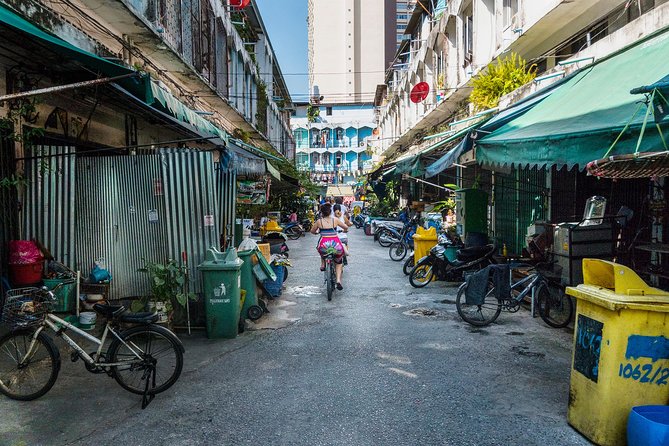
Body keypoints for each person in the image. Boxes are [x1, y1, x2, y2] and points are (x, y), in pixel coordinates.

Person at [311, 203, 348, 289]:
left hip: (324, 245)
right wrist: (345, 230)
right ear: (330, 211)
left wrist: (317, 232)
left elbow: (312, 231)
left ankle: (323, 264)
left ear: (321, 213)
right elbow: (346, 226)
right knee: (339, 261)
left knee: (320, 249)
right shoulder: (335, 220)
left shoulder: (319, 221)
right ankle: (338, 280)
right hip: (336, 246)